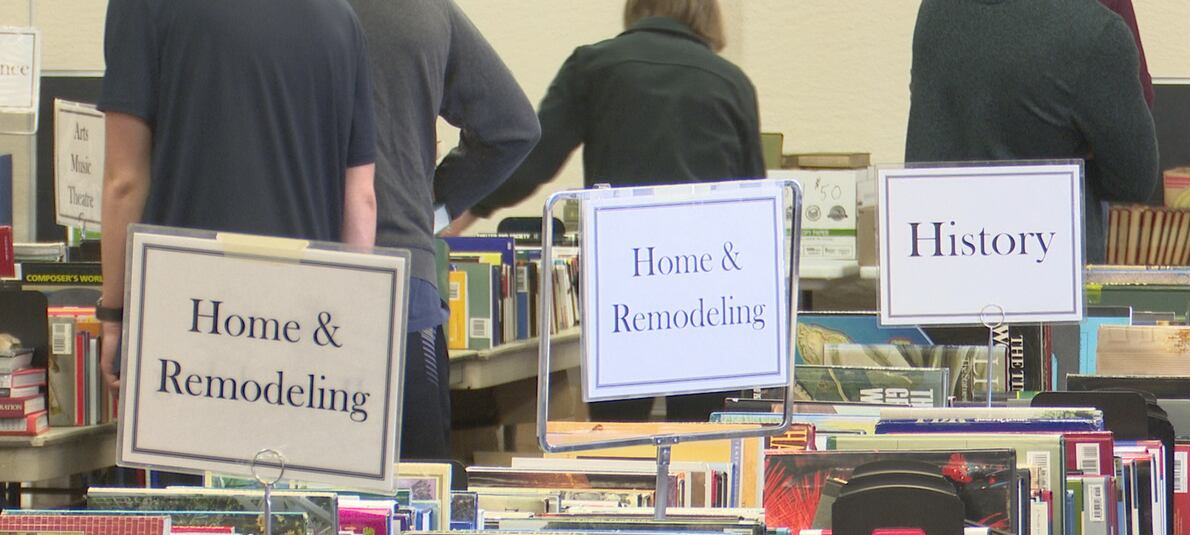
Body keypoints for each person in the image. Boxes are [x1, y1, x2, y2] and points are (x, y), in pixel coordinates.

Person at [445, 0, 764, 422]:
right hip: (708, 289)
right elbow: (754, 202)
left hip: (625, 283)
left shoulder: (594, 67)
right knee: (705, 439)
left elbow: (533, 159)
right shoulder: (731, 82)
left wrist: (455, 212)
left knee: (616, 437)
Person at [97, 0, 377, 425]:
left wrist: (114, 316)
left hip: (186, 327)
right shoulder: (340, 19)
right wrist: (347, 333)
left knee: (191, 488)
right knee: (290, 485)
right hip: (303, 332)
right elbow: (360, 198)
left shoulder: (142, 7)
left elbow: (125, 181)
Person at [345, 0, 540, 459]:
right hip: (403, 277)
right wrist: (428, 204)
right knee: (414, 499)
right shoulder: (421, 9)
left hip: (280, 290)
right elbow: (513, 127)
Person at [905, 0, 1158, 264]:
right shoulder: (1094, 31)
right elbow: (1133, 180)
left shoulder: (935, 10)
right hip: (1047, 273)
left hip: (941, 266)